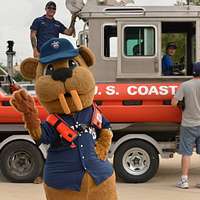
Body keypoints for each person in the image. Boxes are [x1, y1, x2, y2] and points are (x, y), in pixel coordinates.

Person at [171, 62, 200, 189]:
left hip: (188, 124)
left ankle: (184, 181)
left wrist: (180, 105)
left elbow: (173, 103)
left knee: (186, 153)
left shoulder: (185, 85)